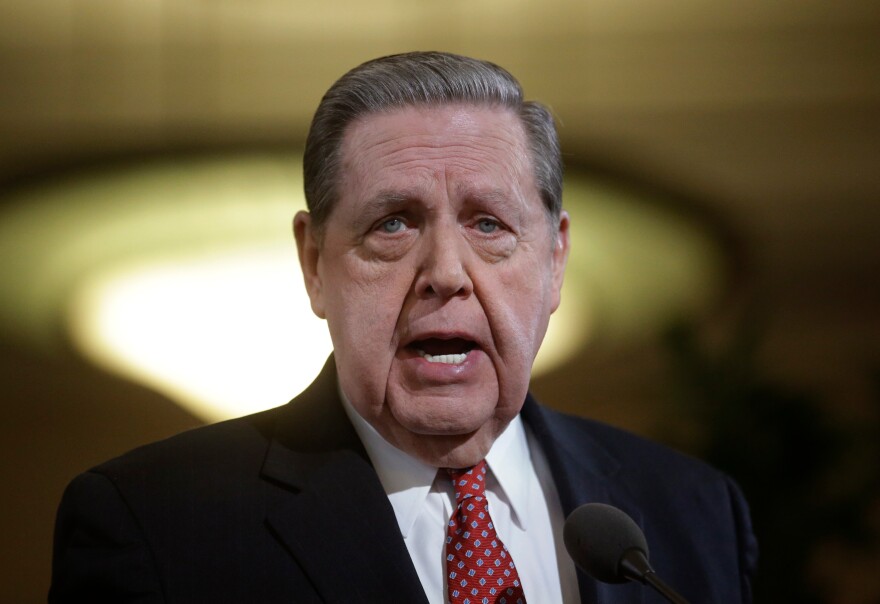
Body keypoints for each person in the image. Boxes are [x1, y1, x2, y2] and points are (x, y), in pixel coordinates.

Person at [49, 51, 757, 603]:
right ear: (314, 263)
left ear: (555, 261)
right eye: (393, 224)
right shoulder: (155, 524)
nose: (445, 271)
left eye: (489, 223)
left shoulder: (693, 516)